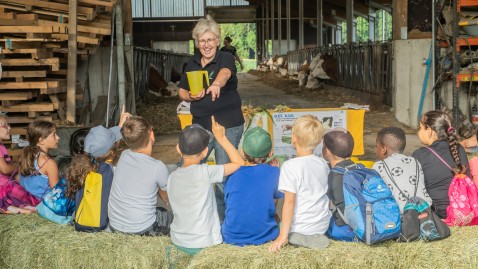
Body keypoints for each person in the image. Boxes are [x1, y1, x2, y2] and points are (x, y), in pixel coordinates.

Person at [178, 15, 245, 222]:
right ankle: (193, 215)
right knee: (188, 168)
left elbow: (225, 73)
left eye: (210, 40)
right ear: (196, 43)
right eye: (202, 41)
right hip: (201, 125)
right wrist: (191, 96)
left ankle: (225, 221)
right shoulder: (192, 63)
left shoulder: (225, 57)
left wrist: (216, 84)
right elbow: (182, 90)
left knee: (225, 175)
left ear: (217, 40)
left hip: (229, 125)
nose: (206, 45)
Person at [168, 116, 244, 255]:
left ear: (178, 149)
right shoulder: (206, 172)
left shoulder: (171, 177)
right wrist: (222, 139)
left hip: (178, 240)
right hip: (204, 244)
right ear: (205, 153)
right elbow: (239, 163)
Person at [269, 115, 331, 252]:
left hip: (299, 226)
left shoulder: (289, 166)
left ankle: (293, 235)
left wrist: (282, 236)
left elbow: (289, 202)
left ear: (293, 139)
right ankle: (312, 235)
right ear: (319, 141)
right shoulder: (323, 163)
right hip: (321, 225)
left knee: (276, 223)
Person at [108, 116, 173, 236]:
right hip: (142, 228)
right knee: (173, 217)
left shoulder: (124, 155)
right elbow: (168, 197)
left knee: (160, 211)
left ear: (127, 142)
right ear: (151, 134)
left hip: (115, 225)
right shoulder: (158, 167)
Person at [66, 110, 130, 231]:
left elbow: (108, 143)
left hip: (81, 221)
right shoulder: (113, 171)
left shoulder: (81, 168)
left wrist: (120, 125)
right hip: (105, 225)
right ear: (112, 152)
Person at [221, 127, 283, 246]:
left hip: (231, 237)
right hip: (265, 237)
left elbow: (229, 202)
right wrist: (274, 170)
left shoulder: (232, 173)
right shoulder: (275, 173)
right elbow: (272, 202)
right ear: (270, 153)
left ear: (243, 153)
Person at [412, 110, 470, 219]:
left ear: (429, 130)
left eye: (420, 128)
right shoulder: (459, 148)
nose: (418, 132)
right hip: (461, 209)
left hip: (439, 212)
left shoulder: (420, 154)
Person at [373, 127, 432, 213]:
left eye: (376, 146)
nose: (375, 150)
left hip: (399, 215)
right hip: (424, 211)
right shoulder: (414, 162)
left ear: (383, 149)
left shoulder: (379, 166)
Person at [321, 128, 356, 240]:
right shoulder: (360, 169)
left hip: (343, 229)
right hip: (362, 223)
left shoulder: (331, 175)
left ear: (327, 151)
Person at [0, 115, 40, 214]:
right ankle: (7, 208)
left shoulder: (2, 147)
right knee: (33, 203)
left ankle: (11, 208)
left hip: (5, 183)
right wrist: (19, 166)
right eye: (5, 126)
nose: (9, 128)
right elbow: (5, 169)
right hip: (3, 186)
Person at [19, 120, 60, 200]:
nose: (58, 137)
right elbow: (56, 194)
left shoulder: (25, 156)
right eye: (54, 134)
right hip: (42, 207)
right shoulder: (49, 163)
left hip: (25, 204)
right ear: (41, 140)